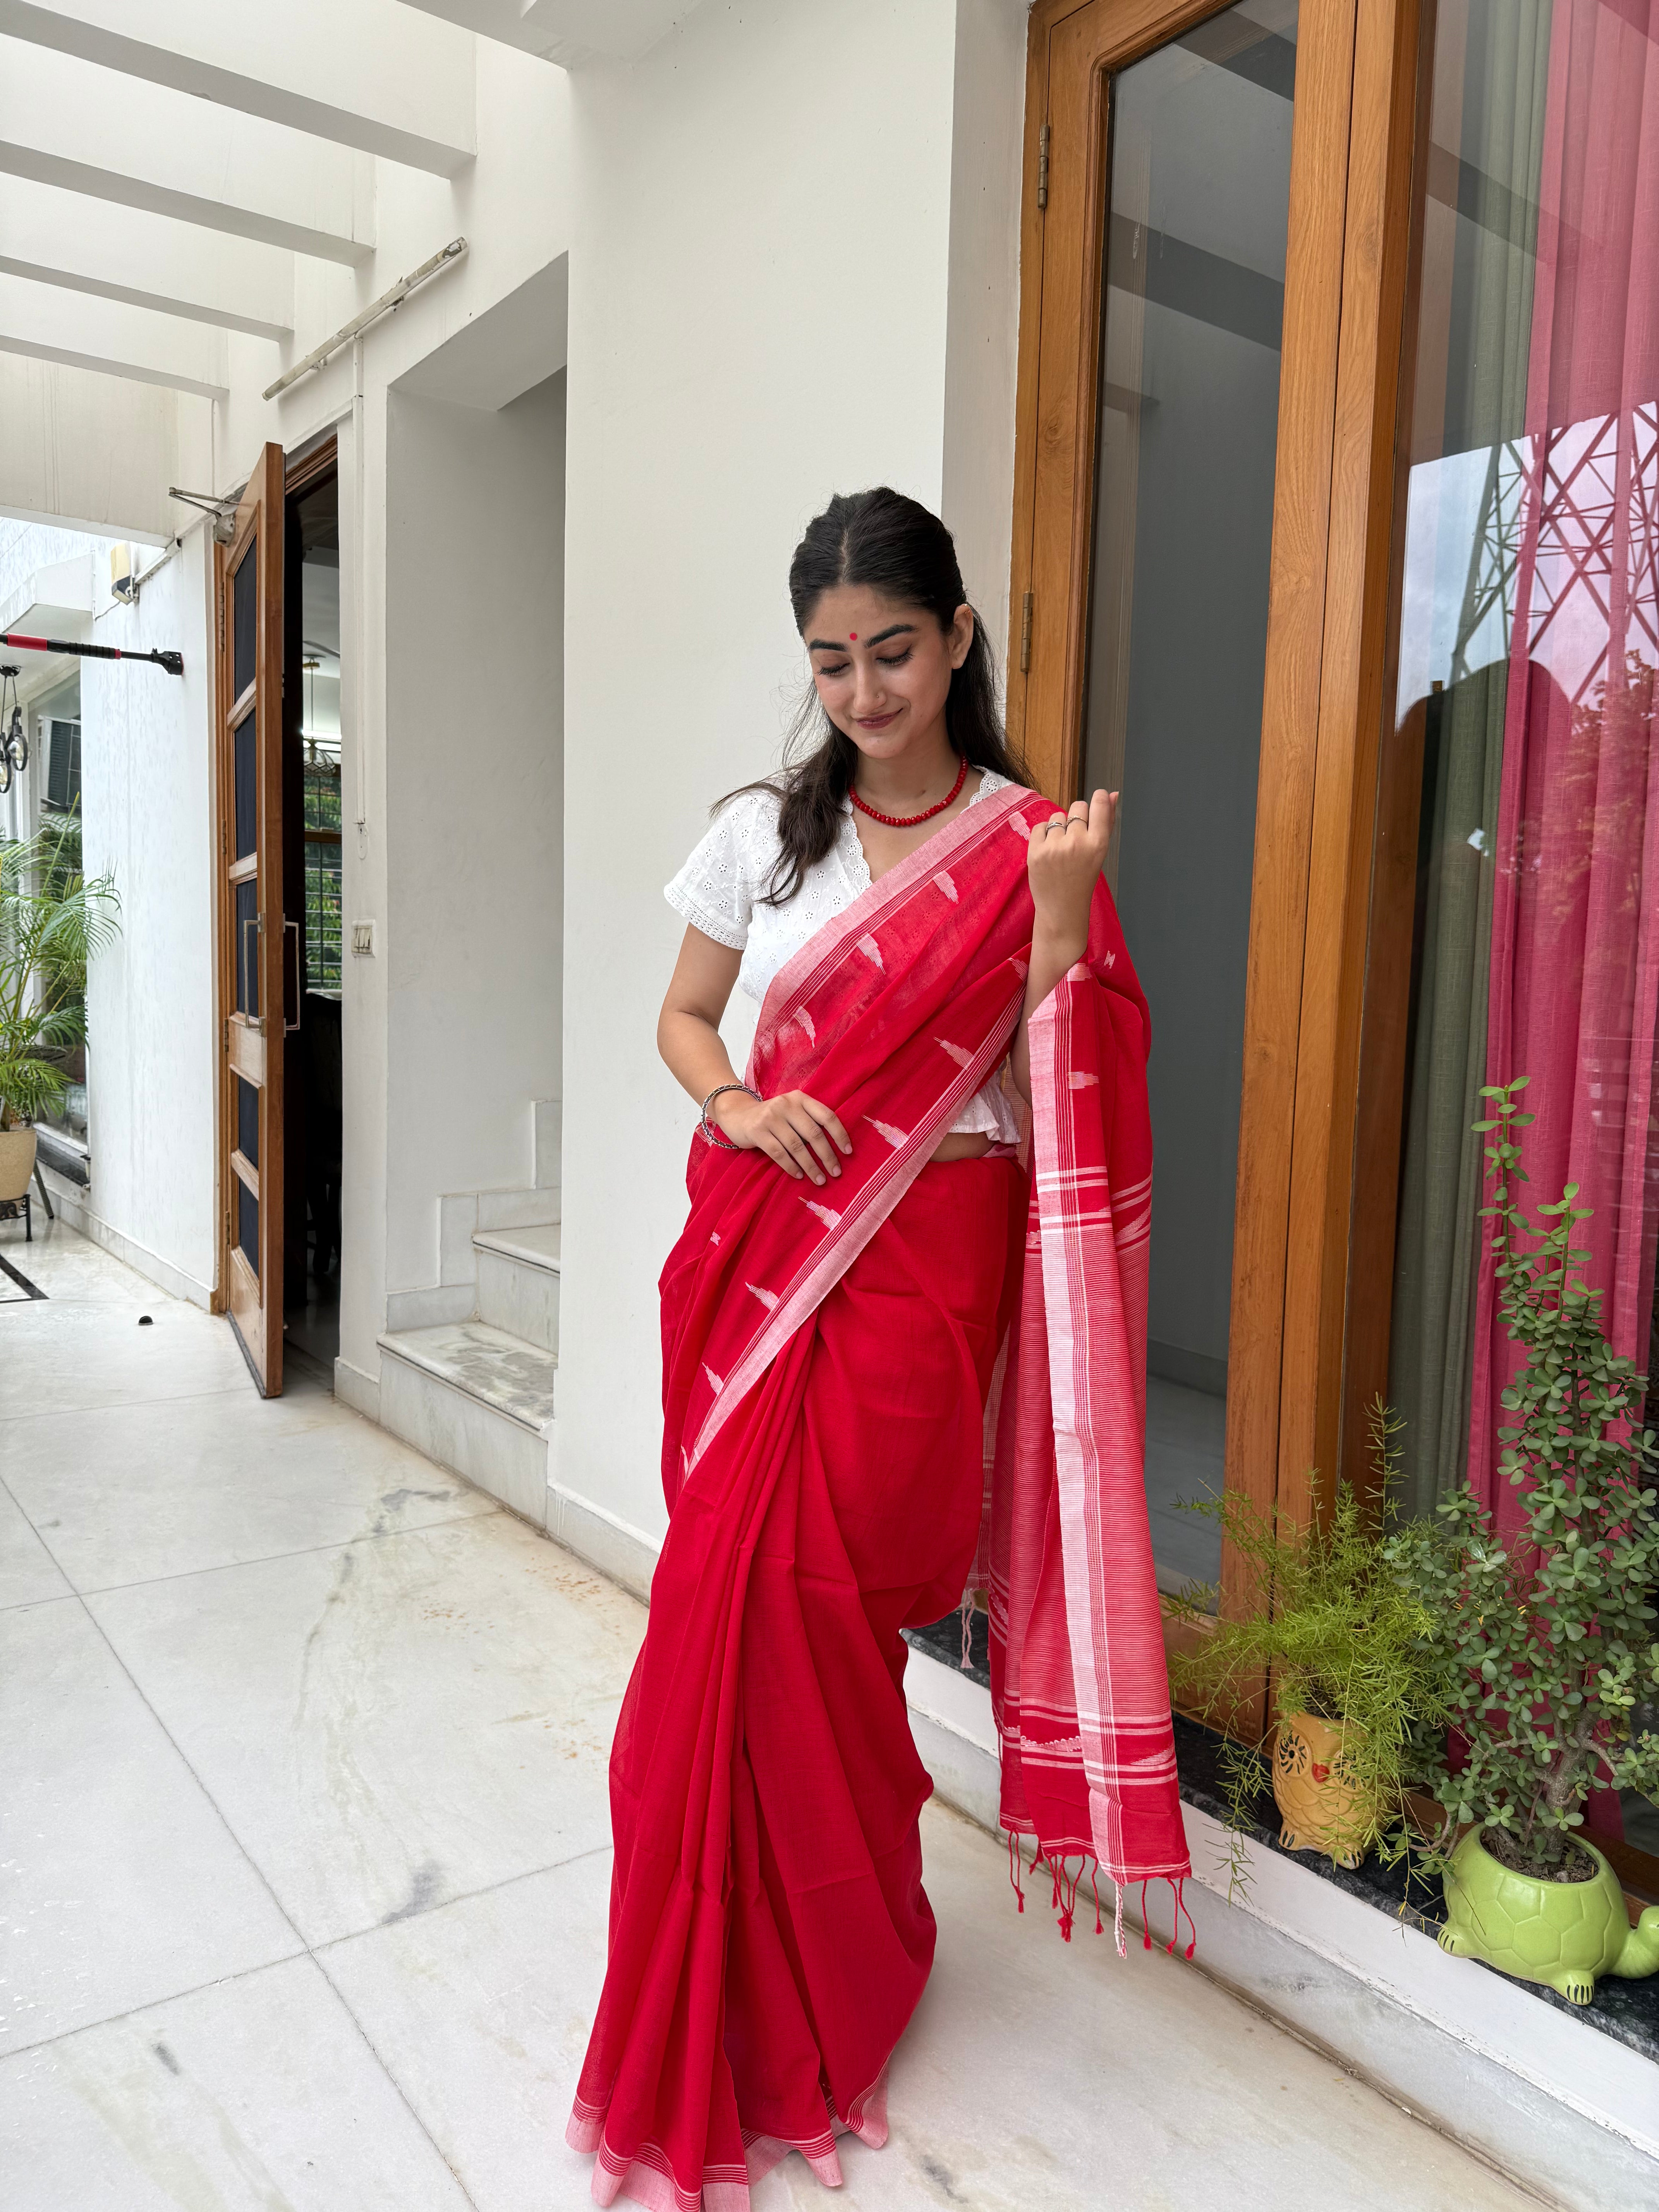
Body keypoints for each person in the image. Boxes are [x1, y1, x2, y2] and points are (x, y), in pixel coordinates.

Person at [568, 488, 1187, 2211]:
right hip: (771, 1255)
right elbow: (687, 1021)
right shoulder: (765, 836)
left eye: (895, 650)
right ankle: (732, 1988)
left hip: (931, 1261)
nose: (864, 688)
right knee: (719, 1631)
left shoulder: (1028, 837)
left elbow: (1070, 1070)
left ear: (960, 640)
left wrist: (1062, 929)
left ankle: (849, 1949)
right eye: (833, 660)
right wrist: (744, 1104)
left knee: (839, 1613)